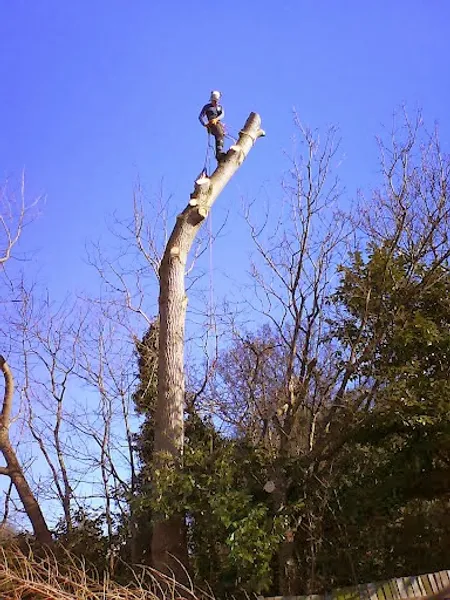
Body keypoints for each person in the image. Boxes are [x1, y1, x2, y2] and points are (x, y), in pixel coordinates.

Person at [199, 90, 226, 161]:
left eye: (217, 101)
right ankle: (219, 153)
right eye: (214, 101)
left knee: (221, 135)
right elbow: (200, 117)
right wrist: (205, 124)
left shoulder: (219, 107)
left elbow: (222, 115)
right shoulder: (207, 107)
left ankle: (219, 153)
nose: (216, 102)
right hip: (211, 124)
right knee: (219, 133)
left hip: (218, 123)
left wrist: (216, 119)